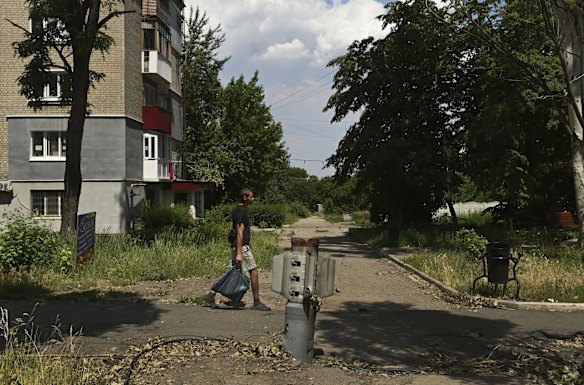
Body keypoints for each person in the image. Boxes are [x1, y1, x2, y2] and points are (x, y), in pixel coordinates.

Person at [199, 188, 271, 311]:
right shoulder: (242, 211)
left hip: (239, 246)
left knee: (232, 271)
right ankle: (257, 302)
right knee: (253, 271)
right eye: (251, 197)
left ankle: (211, 294)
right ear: (245, 198)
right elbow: (239, 233)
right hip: (241, 247)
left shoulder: (238, 210)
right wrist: (239, 253)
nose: (253, 199)